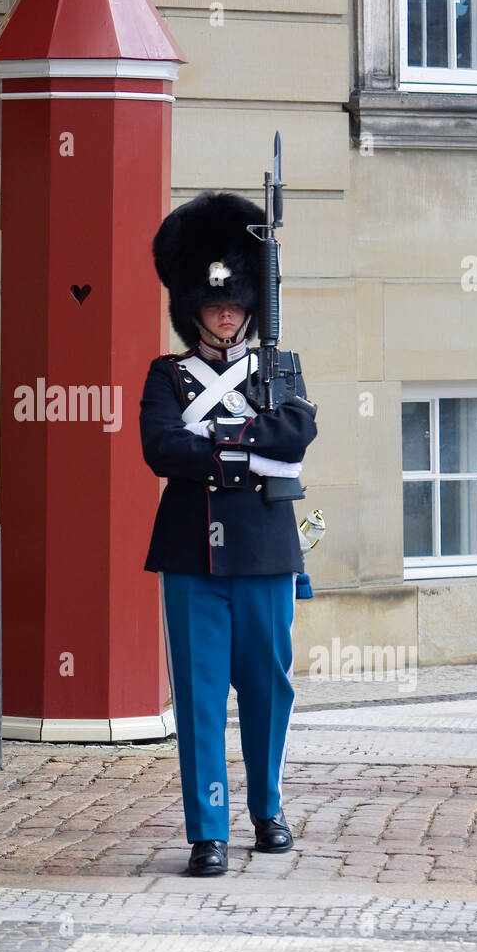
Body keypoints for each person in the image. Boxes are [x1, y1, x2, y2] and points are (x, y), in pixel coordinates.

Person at [140, 190, 318, 876]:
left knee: (269, 689)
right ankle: (207, 829)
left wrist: (214, 442)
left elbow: (298, 433)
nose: (225, 314)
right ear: (193, 310)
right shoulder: (168, 375)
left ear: (252, 309)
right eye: (215, 305)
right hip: (192, 555)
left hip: (267, 550)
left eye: (236, 305)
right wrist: (246, 444)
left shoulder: (279, 367)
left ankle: (267, 810)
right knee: (200, 695)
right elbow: (160, 448)